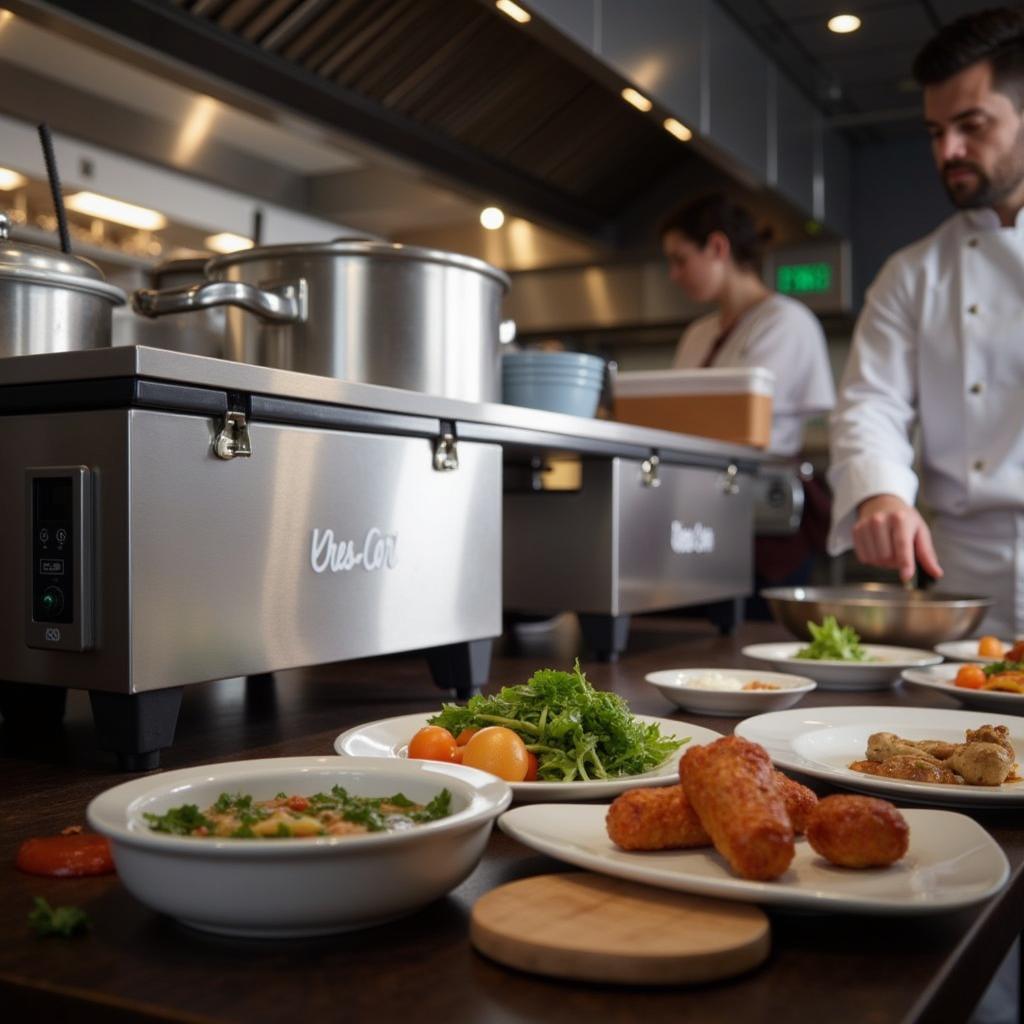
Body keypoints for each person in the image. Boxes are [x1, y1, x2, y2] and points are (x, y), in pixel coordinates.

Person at [828, 7, 1024, 640]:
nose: (949, 151)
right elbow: (871, 403)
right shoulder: (911, 273)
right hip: (964, 583)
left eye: (971, 126)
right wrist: (882, 492)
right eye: (936, 131)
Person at [661, 194, 836, 600]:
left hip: (762, 518)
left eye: (680, 259)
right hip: (696, 516)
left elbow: (736, 422)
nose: (673, 274)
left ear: (718, 248)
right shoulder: (697, 333)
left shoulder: (786, 321)